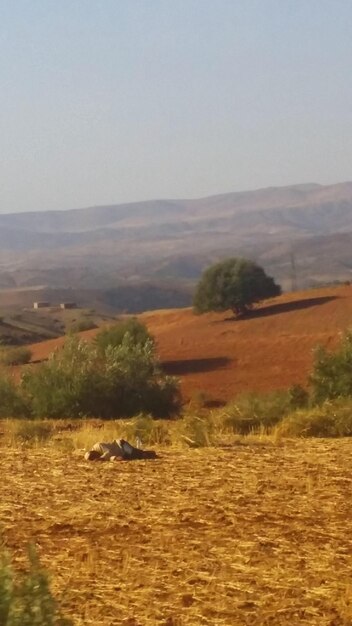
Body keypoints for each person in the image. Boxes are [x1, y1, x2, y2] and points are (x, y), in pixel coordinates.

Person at [84, 438, 158, 461]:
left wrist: (101, 458)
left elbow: (109, 452)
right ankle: (150, 454)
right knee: (135, 456)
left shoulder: (98, 446)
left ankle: (152, 454)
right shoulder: (100, 453)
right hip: (122, 451)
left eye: (93, 457)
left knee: (136, 454)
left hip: (121, 445)